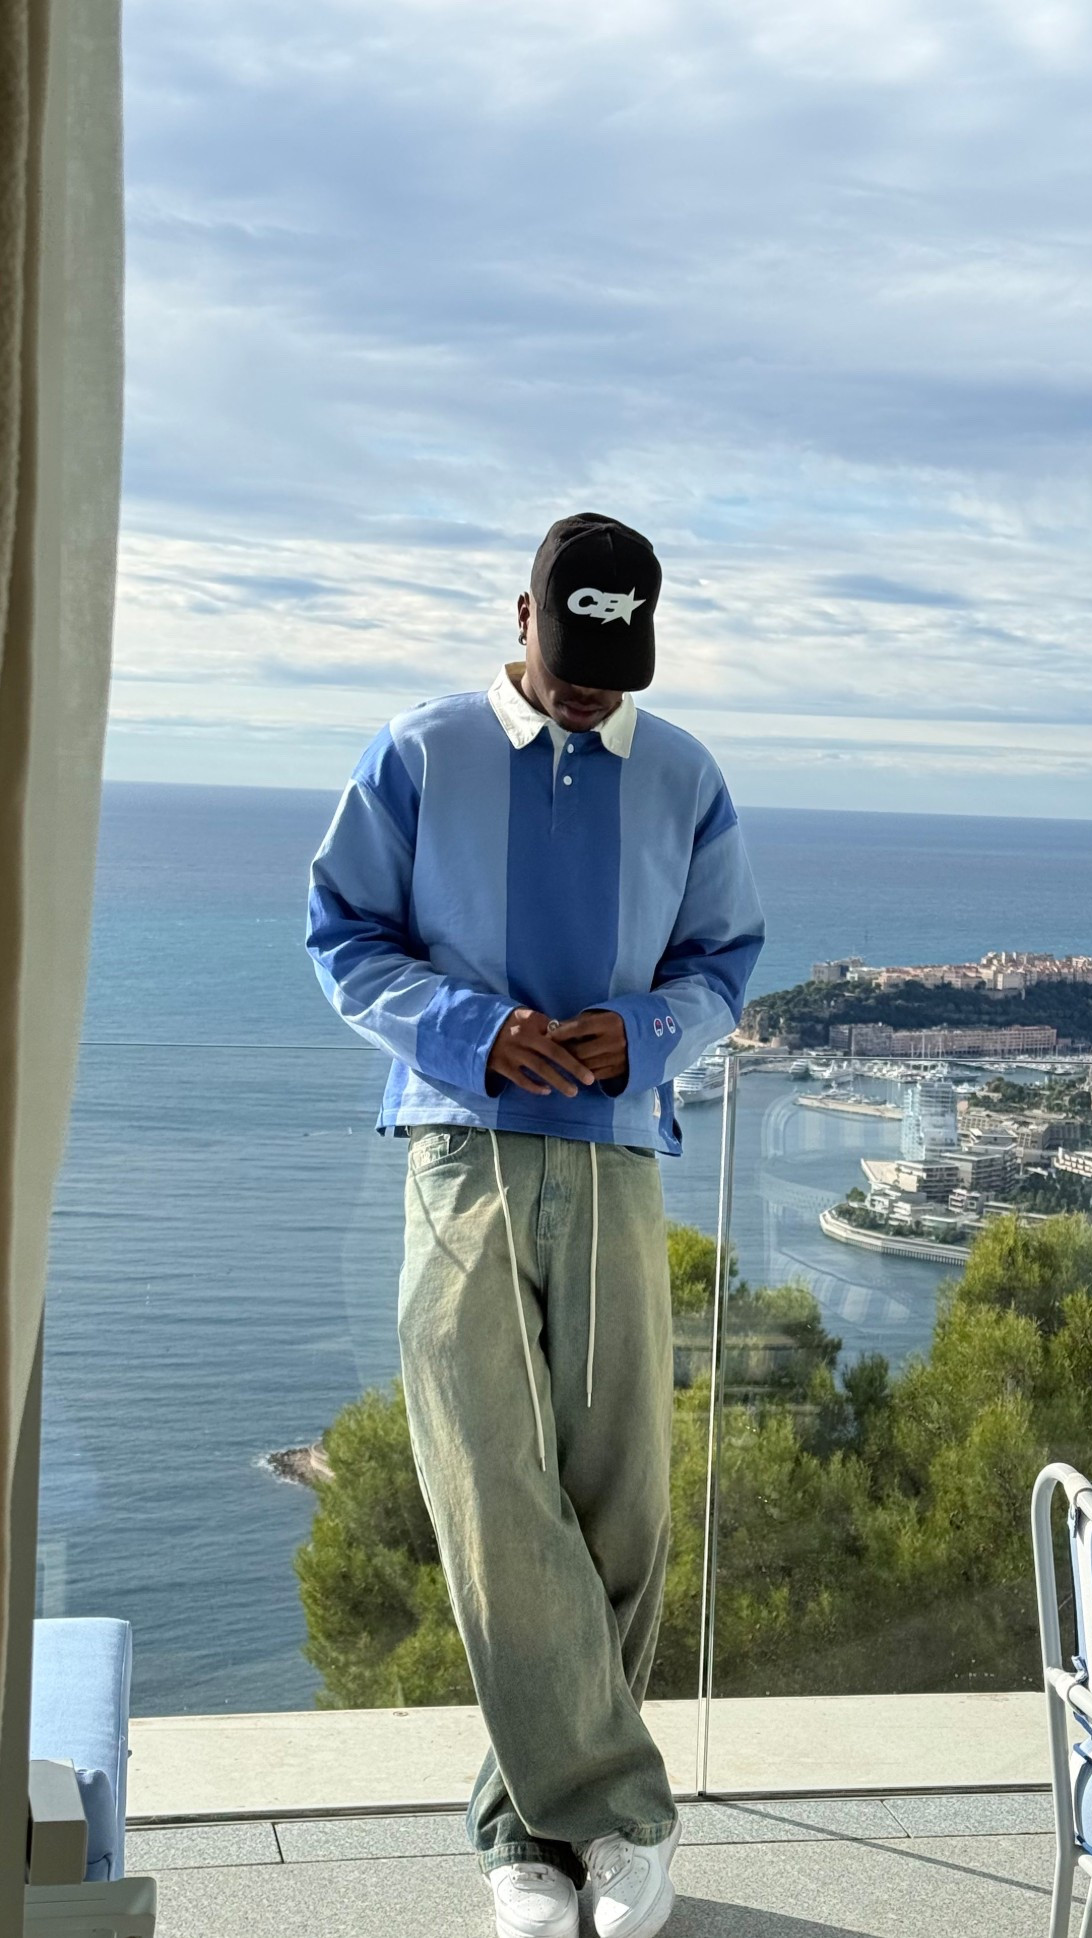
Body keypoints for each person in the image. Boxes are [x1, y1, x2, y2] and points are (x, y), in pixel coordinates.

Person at [306, 512, 765, 1938]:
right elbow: (340, 934)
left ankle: (533, 1833)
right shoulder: (418, 752)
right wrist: (472, 1030)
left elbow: (723, 960)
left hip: (618, 1155)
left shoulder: (683, 775)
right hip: (460, 1149)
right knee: (490, 1488)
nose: (585, 693)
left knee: (620, 1499)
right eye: (568, 661)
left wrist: (642, 1035)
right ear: (521, 617)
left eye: (612, 671)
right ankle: (615, 1816)